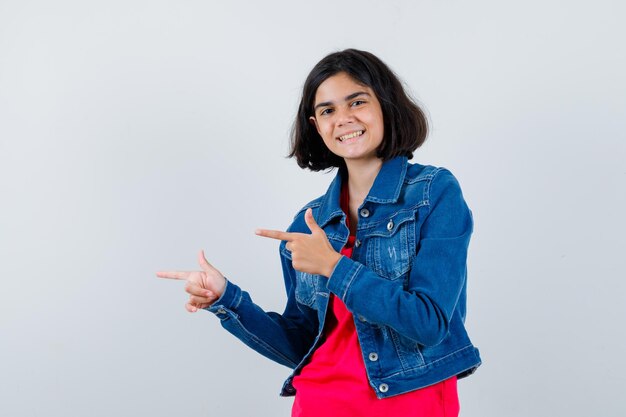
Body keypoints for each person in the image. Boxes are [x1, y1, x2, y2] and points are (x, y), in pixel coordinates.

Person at [157, 49, 481, 417]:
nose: (343, 119)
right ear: (315, 125)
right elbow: (302, 344)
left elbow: (430, 323)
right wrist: (227, 300)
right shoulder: (307, 224)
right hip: (317, 404)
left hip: (411, 403)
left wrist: (335, 267)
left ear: (386, 106)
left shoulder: (432, 192)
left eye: (357, 101)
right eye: (327, 111)